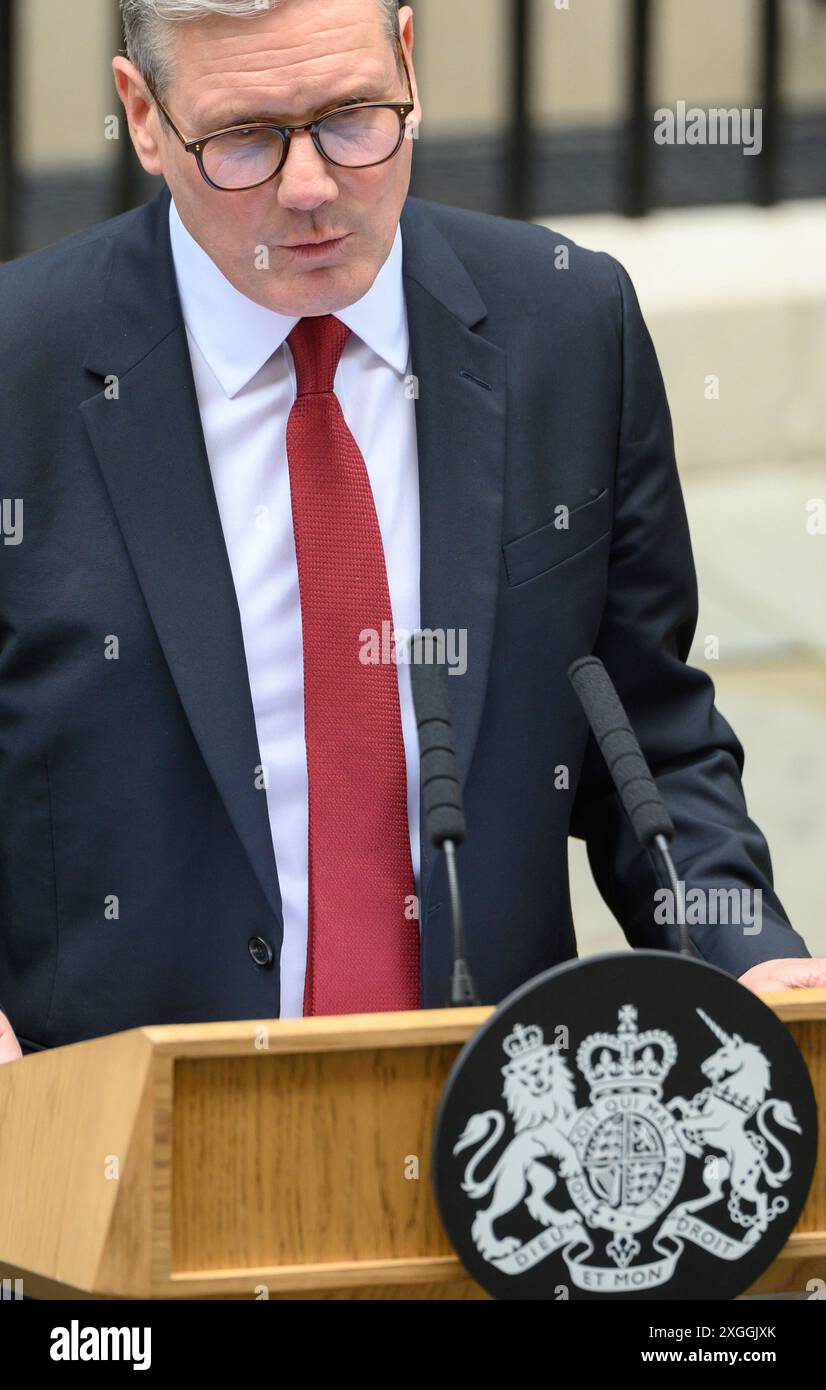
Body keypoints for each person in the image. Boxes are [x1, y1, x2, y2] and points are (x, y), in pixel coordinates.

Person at [1, 0, 822, 1065]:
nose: (308, 188)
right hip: (108, 1161)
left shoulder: (567, 325)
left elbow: (645, 735)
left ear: (408, 64)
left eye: (352, 116)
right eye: (244, 139)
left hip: (493, 1140)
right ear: (143, 118)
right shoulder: (21, 369)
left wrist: (744, 954)